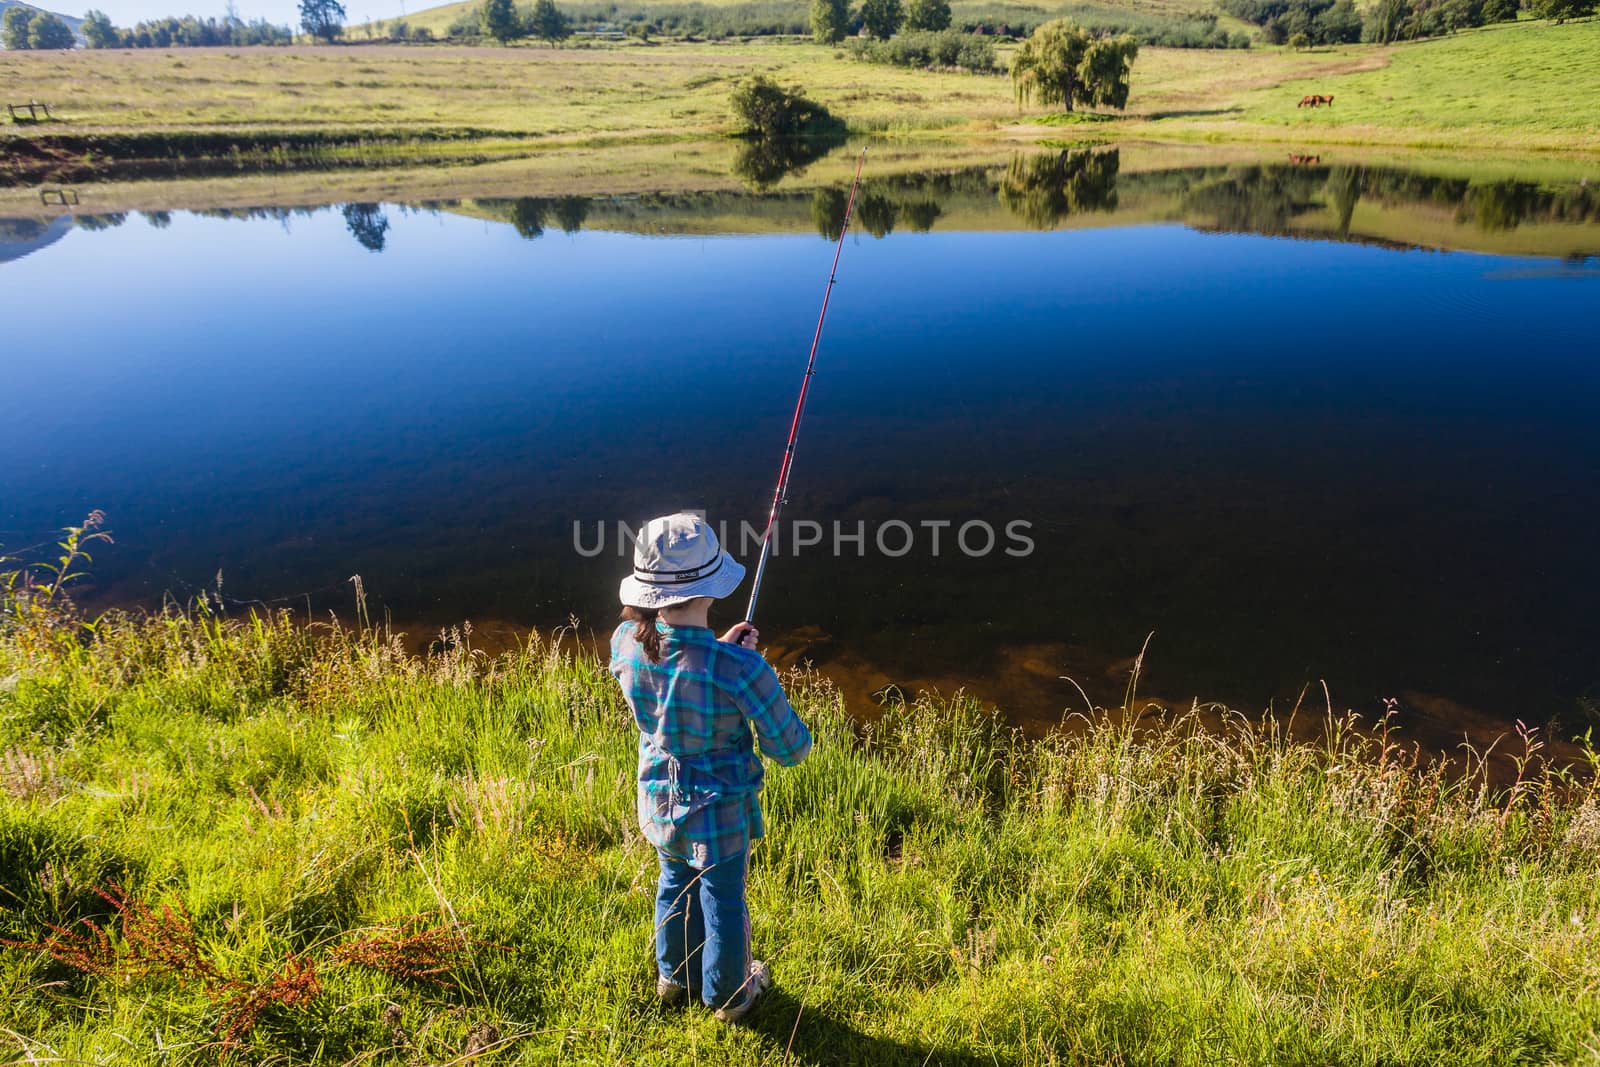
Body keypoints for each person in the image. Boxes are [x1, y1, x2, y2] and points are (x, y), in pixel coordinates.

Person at [610, 512, 812, 1023]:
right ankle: (730, 996)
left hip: (657, 797)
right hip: (718, 812)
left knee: (673, 882)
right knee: (723, 899)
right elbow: (791, 749)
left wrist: (717, 647)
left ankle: (673, 978)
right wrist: (739, 665)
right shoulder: (741, 669)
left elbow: (679, 662)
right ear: (711, 590)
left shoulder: (626, 644)